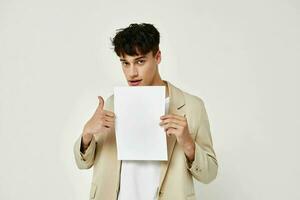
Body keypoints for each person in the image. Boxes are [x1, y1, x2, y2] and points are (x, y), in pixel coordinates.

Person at [73, 23, 218, 200]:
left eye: (140, 61)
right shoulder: (112, 104)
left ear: (158, 57)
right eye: (125, 63)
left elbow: (209, 174)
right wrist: (87, 134)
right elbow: (83, 163)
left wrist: (188, 144)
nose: (131, 73)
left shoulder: (192, 106)